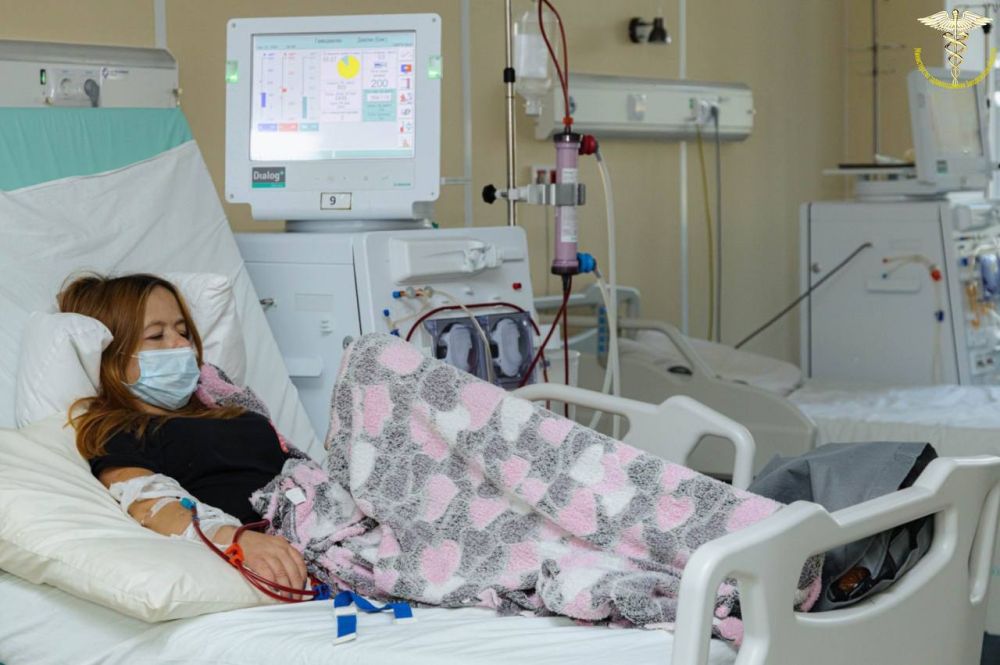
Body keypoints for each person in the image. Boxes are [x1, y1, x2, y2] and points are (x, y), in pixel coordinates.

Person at [59, 273, 307, 596]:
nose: (181, 345)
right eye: (156, 335)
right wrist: (236, 539)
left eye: (183, 331)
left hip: (329, 510)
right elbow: (151, 505)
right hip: (289, 536)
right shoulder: (122, 431)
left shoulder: (224, 404)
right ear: (113, 357)